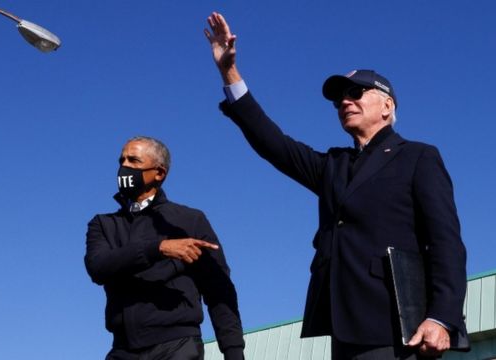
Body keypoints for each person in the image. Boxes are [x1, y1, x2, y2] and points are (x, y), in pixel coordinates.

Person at [204, 12, 468, 360]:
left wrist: (441, 317)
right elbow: (274, 144)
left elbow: (445, 241)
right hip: (344, 326)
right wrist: (229, 73)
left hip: (399, 325)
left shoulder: (418, 157)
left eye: (356, 92)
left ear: (387, 105)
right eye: (338, 98)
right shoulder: (334, 165)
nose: (345, 101)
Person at [85, 136, 245, 360]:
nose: (124, 167)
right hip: (122, 350)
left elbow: (218, 289)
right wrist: (158, 248)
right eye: (121, 160)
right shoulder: (103, 224)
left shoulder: (190, 220)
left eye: (134, 160)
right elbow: (98, 266)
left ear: (159, 173)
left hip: (177, 347)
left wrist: (233, 350)